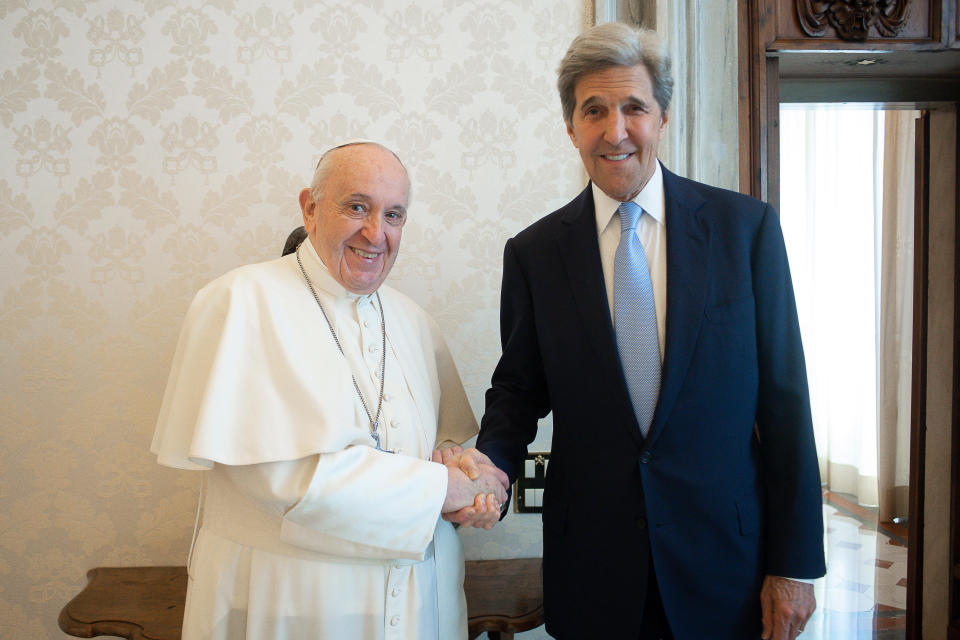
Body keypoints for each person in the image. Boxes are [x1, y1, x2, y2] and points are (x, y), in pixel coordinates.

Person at [446, 22, 826, 640]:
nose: (615, 130)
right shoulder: (535, 253)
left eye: (634, 108)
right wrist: (490, 467)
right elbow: (517, 390)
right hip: (593, 571)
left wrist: (795, 564)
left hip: (725, 570)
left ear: (664, 116)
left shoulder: (744, 230)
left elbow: (786, 404)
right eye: (593, 110)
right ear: (571, 126)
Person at [151, 140, 507, 639]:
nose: (375, 233)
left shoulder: (415, 321)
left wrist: (466, 468)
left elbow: (433, 442)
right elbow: (276, 478)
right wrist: (443, 489)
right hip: (293, 606)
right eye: (357, 207)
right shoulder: (240, 302)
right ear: (310, 208)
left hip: (420, 606)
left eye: (394, 215)